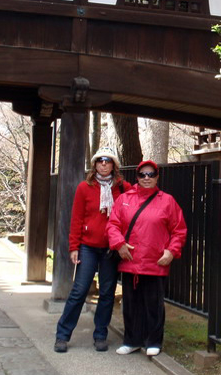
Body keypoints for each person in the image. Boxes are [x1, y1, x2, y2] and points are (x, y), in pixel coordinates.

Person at [54, 147, 132, 353]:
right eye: (100, 161)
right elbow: (76, 218)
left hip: (111, 248)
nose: (104, 164)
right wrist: (74, 246)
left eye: (108, 161)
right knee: (79, 290)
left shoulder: (122, 188)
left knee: (107, 292)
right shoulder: (84, 187)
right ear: (95, 164)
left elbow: (139, 201)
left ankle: (100, 335)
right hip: (88, 246)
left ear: (114, 165)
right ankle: (62, 335)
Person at [107, 159, 187, 357]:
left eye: (151, 174)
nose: (146, 178)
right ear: (137, 177)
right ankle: (131, 340)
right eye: (142, 174)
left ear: (157, 177)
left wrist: (171, 251)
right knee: (130, 303)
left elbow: (179, 230)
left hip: (155, 261)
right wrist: (119, 243)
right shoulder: (124, 199)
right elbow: (113, 225)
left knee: (154, 304)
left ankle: (154, 341)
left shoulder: (167, 201)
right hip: (130, 260)